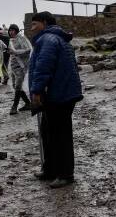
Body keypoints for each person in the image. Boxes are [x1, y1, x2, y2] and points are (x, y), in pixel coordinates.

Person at [27, 11, 83, 188]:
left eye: (34, 24)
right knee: (48, 131)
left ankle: (65, 174)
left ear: (44, 23)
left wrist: (36, 90)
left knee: (60, 135)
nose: (32, 28)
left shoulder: (48, 40)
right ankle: (50, 169)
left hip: (59, 95)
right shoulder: (59, 39)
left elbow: (43, 67)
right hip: (61, 93)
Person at [7, 24, 32, 114]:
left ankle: (14, 106)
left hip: (21, 66)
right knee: (15, 86)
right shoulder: (11, 40)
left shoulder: (21, 38)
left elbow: (28, 50)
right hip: (13, 66)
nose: (11, 32)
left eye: (13, 30)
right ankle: (28, 103)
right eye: (10, 30)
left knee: (18, 85)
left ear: (16, 31)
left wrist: (15, 52)